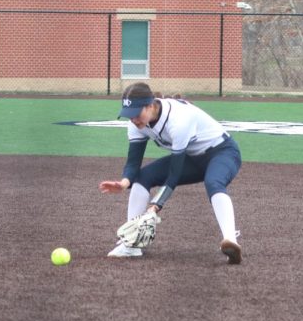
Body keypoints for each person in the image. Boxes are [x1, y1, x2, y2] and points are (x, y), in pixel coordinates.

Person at [99, 82, 243, 264]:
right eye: (129, 115)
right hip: (192, 158)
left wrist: (155, 207)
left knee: (213, 182)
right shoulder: (136, 125)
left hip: (223, 153)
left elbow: (173, 175)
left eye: (136, 113)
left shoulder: (179, 120)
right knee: (142, 178)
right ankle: (131, 243)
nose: (134, 119)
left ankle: (231, 240)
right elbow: (134, 163)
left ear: (150, 105)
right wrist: (124, 183)